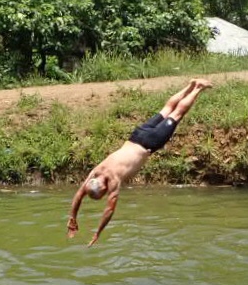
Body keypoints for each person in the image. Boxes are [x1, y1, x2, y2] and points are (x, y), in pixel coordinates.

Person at [68, 78, 213, 246]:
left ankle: (198, 88)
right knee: (166, 109)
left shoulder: (113, 180)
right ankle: (190, 85)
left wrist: (97, 233)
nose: (107, 193)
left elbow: (109, 210)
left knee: (177, 113)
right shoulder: (96, 171)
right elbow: (79, 194)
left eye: (104, 193)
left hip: (150, 142)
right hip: (136, 136)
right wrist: (72, 217)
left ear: (103, 188)